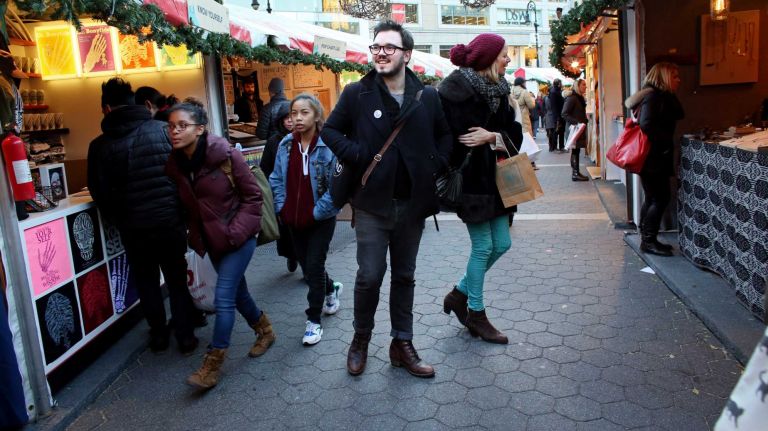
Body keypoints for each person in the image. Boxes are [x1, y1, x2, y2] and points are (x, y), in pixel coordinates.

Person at [322, 19, 452, 378]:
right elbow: (330, 130)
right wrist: (358, 153)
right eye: (376, 47)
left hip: (412, 206)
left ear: (406, 55)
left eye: (389, 47)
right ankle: (360, 339)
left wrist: (434, 166)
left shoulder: (428, 96)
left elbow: (446, 138)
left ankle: (402, 343)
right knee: (369, 276)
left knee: (405, 276)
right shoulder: (356, 94)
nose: (380, 53)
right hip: (371, 204)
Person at [165, 99, 276, 389]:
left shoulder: (226, 155)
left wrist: (235, 233)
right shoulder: (176, 164)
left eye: (182, 126)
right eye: (171, 126)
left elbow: (253, 197)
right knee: (238, 293)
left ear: (200, 129)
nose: (175, 131)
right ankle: (265, 331)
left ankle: (211, 366)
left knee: (223, 297)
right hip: (210, 241)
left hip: (239, 238)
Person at [87, 78, 198, 355]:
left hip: (132, 227)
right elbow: (184, 175)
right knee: (176, 278)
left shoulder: (99, 146)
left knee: (146, 280)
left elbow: (97, 190)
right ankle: (185, 337)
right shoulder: (163, 130)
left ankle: (159, 336)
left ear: (106, 109)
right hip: (169, 221)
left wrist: (117, 216)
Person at [439, 33, 523, 345]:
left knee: (503, 244)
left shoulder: (502, 90)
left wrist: (492, 136)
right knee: (483, 246)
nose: (508, 60)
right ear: (489, 58)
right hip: (472, 181)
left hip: (497, 179)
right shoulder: (452, 91)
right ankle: (476, 312)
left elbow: (513, 130)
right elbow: (444, 135)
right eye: (504, 54)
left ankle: (459, 293)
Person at [270, 93, 342, 346]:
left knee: (313, 266)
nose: (297, 118)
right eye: (294, 113)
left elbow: (337, 187)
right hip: (293, 219)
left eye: (304, 113)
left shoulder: (329, 144)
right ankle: (331, 288)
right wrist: (281, 206)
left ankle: (313, 320)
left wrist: (317, 212)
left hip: (321, 218)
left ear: (317, 115)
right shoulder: (286, 145)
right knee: (310, 267)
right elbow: (276, 178)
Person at [624, 62, 684, 257]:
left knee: (653, 197)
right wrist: (665, 142)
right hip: (653, 157)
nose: (679, 80)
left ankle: (648, 237)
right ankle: (648, 240)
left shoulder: (660, 96)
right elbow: (647, 124)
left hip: (654, 157)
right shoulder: (654, 97)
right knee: (660, 197)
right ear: (665, 77)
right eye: (674, 76)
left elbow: (679, 113)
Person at [259, 102, 299, 273]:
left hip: (301, 193)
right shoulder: (273, 141)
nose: (290, 121)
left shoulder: (305, 137)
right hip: (282, 193)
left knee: (303, 231)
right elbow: (265, 168)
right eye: (286, 118)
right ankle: (292, 256)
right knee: (287, 232)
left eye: (292, 117)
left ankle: (307, 263)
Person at [562, 78, 589, 181]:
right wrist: (577, 122)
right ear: (578, 86)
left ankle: (576, 172)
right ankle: (575, 173)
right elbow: (564, 113)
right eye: (583, 85)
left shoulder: (579, 98)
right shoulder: (572, 98)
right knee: (575, 150)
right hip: (573, 129)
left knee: (576, 150)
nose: (585, 86)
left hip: (578, 128)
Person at [547, 78, 566, 152]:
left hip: (559, 115)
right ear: (558, 84)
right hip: (558, 115)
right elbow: (555, 106)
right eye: (561, 83)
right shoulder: (555, 92)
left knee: (559, 131)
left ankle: (558, 147)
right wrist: (558, 117)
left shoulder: (555, 91)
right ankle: (555, 147)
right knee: (557, 131)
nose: (561, 85)